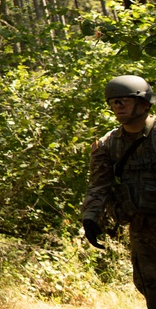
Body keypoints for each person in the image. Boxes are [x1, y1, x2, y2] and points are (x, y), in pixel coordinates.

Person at [81, 75, 156, 307]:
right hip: (141, 229)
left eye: (124, 101)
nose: (118, 107)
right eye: (114, 102)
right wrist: (90, 217)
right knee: (151, 288)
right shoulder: (107, 144)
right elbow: (98, 185)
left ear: (144, 103)